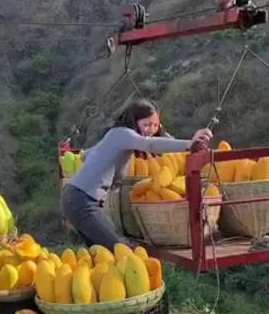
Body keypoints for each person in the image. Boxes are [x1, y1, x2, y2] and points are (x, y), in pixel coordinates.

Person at [61, 98, 212, 249]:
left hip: (76, 198)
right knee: (122, 249)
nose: (151, 129)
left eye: (155, 125)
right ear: (133, 120)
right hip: (81, 201)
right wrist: (188, 144)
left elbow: (87, 155)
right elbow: (150, 144)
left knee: (100, 253)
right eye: (146, 124)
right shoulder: (123, 134)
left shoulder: (115, 136)